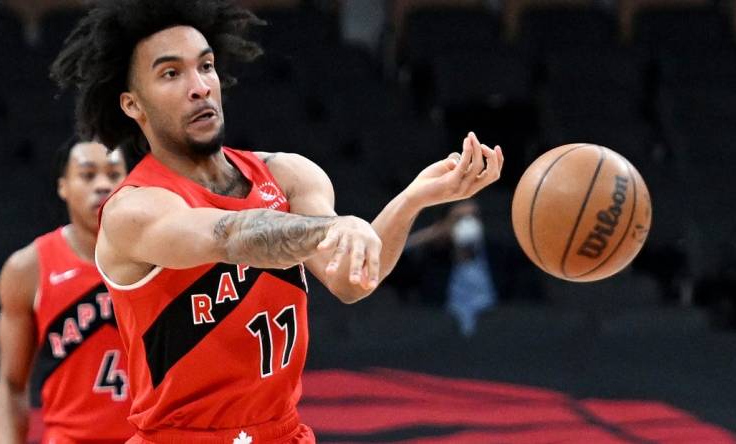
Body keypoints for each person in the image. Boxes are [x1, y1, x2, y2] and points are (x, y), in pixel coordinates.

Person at [50, 1, 504, 442]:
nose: (199, 86)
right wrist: (332, 228)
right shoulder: (134, 209)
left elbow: (351, 279)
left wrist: (413, 198)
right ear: (133, 105)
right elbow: (229, 234)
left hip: (283, 433)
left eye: (205, 66)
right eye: (171, 73)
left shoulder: (289, 174)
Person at [0, 139, 132, 443]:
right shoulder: (28, 268)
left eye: (114, 173)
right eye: (88, 174)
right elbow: (11, 384)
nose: (103, 185)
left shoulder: (162, 258)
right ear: (63, 186)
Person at [395, 200, 497, 336]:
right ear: (444, 224)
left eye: (474, 216)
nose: (469, 222)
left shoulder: (498, 255)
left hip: (493, 328)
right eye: (459, 218)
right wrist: (428, 235)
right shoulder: (432, 256)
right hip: (442, 330)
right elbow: (390, 263)